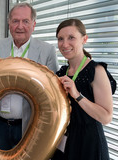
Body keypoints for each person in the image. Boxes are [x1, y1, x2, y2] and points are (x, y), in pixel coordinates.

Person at [0, 2, 59, 150]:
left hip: (31, 126)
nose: (20, 26)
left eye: (25, 21)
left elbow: (54, 93)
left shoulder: (47, 50)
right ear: (9, 24)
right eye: (15, 21)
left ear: (33, 24)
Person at [51, 18, 116, 160]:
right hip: (65, 141)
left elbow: (106, 117)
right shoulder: (61, 73)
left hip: (89, 144)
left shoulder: (96, 70)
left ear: (84, 39)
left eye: (71, 38)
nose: (64, 44)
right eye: (60, 39)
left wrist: (77, 95)